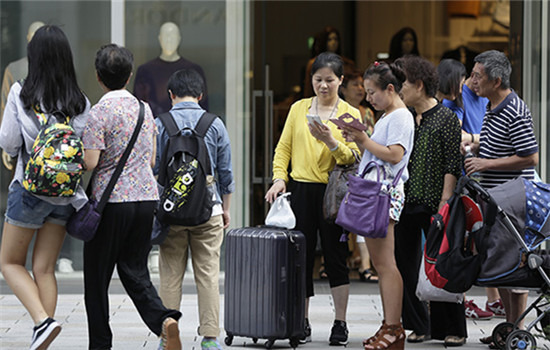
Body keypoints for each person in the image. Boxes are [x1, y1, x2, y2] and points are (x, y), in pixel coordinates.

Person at [82, 43, 182, 350]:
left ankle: (101, 344)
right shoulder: (144, 109)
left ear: (98, 77)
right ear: (128, 76)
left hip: (111, 204)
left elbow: (91, 162)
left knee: (97, 279)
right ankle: (163, 321)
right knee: (135, 269)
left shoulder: (99, 112)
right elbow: (151, 159)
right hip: (145, 199)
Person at [0, 24, 90, 350]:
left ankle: (42, 321)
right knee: (44, 268)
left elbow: (8, 142)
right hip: (66, 195)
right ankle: (44, 337)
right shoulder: (80, 101)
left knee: (9, 263)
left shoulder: (21, 93)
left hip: (28, 188)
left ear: (33, 56)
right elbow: (85, 148)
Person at [265, 51, 360, 346]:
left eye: (330, 80)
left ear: (340, 81)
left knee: (336, 257)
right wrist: (279, 178)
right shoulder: (298, 109)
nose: (323, 86)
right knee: (300, 258)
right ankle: (300, 321)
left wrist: (331, 142)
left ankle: (340, 322)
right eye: (318, 80)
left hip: (334, 191)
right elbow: (283, 149)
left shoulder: (350, 114)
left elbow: (354, 156)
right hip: (302, 189)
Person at [463, 50, 539, 347]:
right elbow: (501, 144)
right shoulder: (492, 105)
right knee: (503, 266)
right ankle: (509, 328)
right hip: (497, 200)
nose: (472, 81)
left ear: (496, 80)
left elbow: (529, 157)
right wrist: (474, 143)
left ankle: (517, 330)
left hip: (516, 201)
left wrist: (485, 164)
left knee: (516, 266)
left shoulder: (514, 109)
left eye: (477, 76)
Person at [155, 68, 235, 350]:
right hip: (208, 211)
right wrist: (225, 209)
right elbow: (226, 173)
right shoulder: (214, 124)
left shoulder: (160, 123)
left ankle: (168, 334)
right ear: (201, 96)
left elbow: (154, 170)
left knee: (170, 276)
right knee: (208, 275)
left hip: (171, 211)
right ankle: (210, 338)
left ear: (170, 95)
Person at [340, 61, 414, 350]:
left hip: (382, 196)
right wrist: (360, 141)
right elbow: (380, 155)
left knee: (385, 266)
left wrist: (363, 139)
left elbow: (395, 155)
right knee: (384, 265)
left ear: (391, 89)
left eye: (372, 92)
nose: (368, 97)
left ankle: (394, 328)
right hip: (378, 195)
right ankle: (388, 326)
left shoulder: (399, 117)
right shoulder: (388, 116)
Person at [395, 55, 466, 347]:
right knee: (404, 264)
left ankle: (454, 328)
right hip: (406, 201)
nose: (399, 90)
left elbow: (452, 164)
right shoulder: (406, 117)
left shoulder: (446, 118)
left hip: (436, 202)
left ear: (419, 85)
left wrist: (444, 203)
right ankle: (418, 324)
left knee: (442, 264)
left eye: (403, 84)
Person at [437, 59, 505, 322]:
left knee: (486, 239)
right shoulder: (454, 100)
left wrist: (476, 139)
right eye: (471, 77)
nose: (474, 83)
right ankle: (464, 299)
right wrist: (478, 139)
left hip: (487, 177)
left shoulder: (487, 98)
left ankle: (494, 298)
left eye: (478, 77)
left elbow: (473, 136)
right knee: (467, 240)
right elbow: (458, 137)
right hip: (467, 179)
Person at [337, 69, 378, 283]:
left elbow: (371, 141)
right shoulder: (338, 110)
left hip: (364, 166)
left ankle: (365, 265)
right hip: (342, 167)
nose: (360, 89)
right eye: (355, 85)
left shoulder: (368, 112)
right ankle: (335, 262)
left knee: (362, 214)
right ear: (343, 88)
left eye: (363, 85)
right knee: (338, 214)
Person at [134, 22, 208, 115]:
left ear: (179, 39)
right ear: (160, 39)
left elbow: (203, 106)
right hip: (154, 125)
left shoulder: (193, 70)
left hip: (188, 125)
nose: (169, 40)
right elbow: (139, 106)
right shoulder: (145, 71)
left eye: (172, 36)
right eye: (165, 36)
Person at [1, 21, 44, 171]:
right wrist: (6, 146)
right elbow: (5, 107)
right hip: (21, 143)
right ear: (27, 38)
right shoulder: (14, 69)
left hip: (52, 146)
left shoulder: (59, 71)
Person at [303, 26, 356, 98]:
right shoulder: (314, 63)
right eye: (329, 39)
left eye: (336, 39)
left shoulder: (347, 64)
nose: (333, 42)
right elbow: (309, 90)